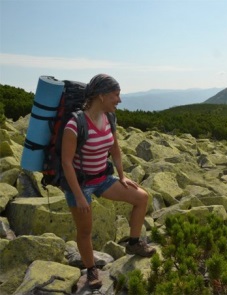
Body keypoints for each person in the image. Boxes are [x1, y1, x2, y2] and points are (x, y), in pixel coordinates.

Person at [61, 74, 156, 289]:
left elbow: (115, 149)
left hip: (103, 178)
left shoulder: (109, 118)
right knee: (85, 230)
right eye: (116, 95)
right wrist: (78, 196)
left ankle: (133, 244)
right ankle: (91, 270)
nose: (119, 100)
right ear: (101, 96)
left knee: (141, 197)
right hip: (80, 184)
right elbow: (67, 163)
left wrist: (122, 176)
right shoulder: (75, 124)